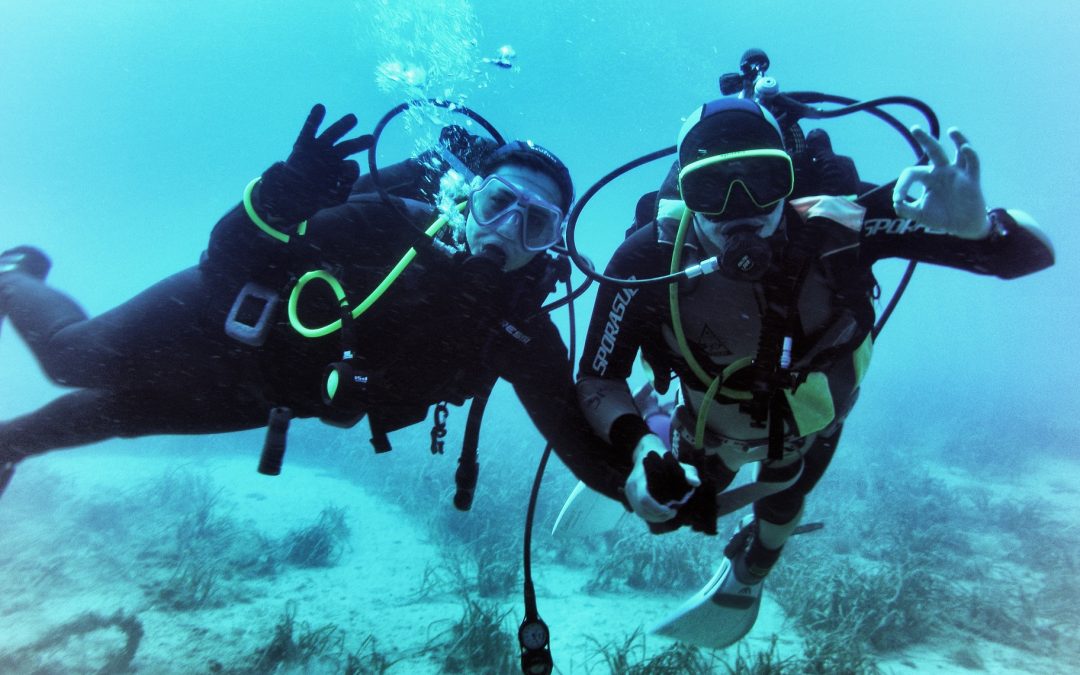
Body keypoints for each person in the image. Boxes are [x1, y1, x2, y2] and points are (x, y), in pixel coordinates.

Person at [574, 96, 1055, 647]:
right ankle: (658, 425)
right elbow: (596, 377)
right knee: (670, 507)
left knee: (781, 503)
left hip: (815, 421)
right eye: (712, 189)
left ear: (791, 179)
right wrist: (639, 449)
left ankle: (748, 572)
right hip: (710, 421)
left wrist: (981, 231)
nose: (741, 209)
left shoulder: (839, 226)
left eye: (762, 179)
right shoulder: (648, 260)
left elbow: (1025, 257)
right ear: (685, 193)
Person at [0, 104, 618, 502]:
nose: (506, 232)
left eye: (535, 225)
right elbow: (227, 265)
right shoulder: (388, 224)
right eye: (496, 205)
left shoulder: (519, 325)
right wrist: (276, 200)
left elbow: (566, 427)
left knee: (114, 418)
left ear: (551, 244)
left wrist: (638, 489)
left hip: (271, 392)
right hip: (219, 314)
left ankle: (7, 446)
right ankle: (14, 274)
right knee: (68, 360)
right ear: (467, 201)